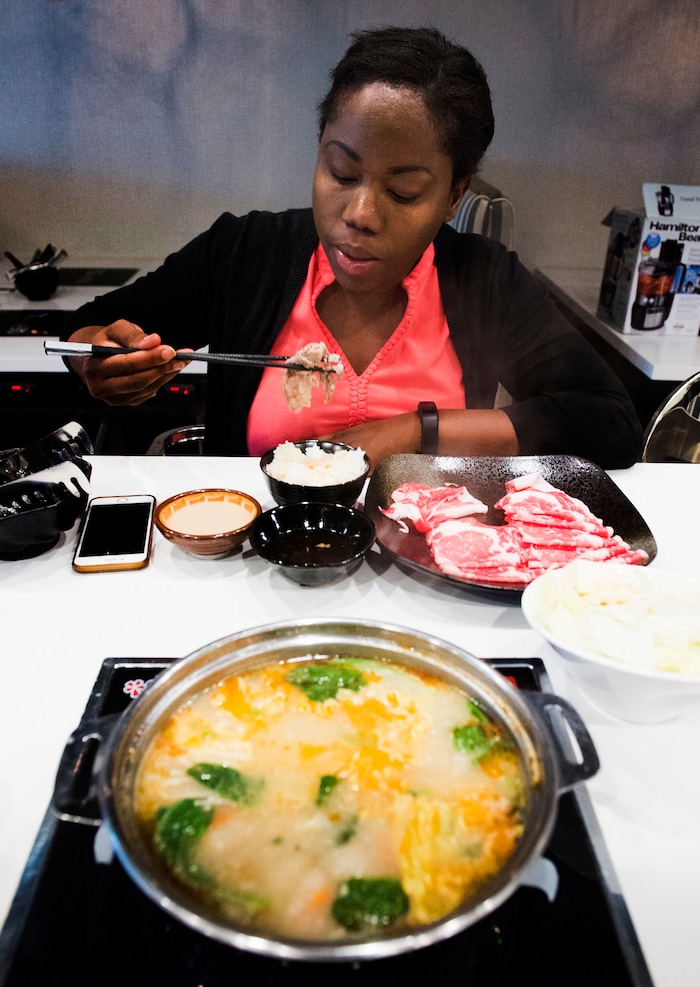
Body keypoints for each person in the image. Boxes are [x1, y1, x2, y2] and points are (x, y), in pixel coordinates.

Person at [61, 26, 642, 469]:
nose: (361, 215)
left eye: (404, 191)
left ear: (452, 195)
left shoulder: (484, 279)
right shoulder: (246, 252)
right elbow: (88, 333)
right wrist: (100, 358)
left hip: (426, 565)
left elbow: (609, 421)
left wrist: (416, 431)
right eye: (341, 173)